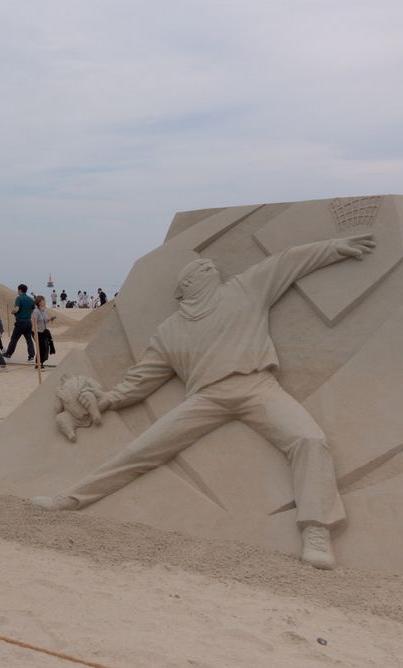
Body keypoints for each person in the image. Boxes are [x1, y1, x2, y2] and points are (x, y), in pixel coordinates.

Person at [32, 234, 377, 570]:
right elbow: (141, 381)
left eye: (210, 268)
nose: (211, 269)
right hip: (206, 399)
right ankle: (72, 498)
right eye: (202, 270)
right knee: (139, 451)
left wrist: (333, 247)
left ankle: (316, 530)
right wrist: (107, 400)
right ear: (188, 288)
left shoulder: (245, 289)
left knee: (309, 440)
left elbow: (288, 261)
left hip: (258, 387)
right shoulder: (170, 331)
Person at [4, 283, 36, 362]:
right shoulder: (31, 299)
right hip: (28, 322)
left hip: (20, 322)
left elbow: (17, 309)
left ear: (20, 290)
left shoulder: (19, 298)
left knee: (14, 339)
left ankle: (8, 354)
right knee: (29, 340)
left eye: (18, 290)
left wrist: (12, 311)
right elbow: (32, 309)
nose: (17, 291)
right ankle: (31, 356)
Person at [32, 295, 56, 368]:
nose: (45, 302)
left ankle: (40, 363)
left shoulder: (44, 310)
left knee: (45, 347)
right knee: (41, 348)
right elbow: (34, 323)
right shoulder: (36, 311)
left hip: (43, 332)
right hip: (37, 332)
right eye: (43, 301)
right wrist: (35, 335)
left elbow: (45, 320)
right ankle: (38, 364)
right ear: (39, 302)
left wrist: (50, 319)